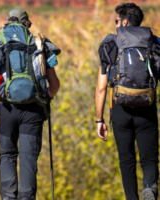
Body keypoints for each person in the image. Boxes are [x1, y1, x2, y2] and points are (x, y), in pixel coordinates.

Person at [0, 8, 60, 200]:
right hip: (33, 110)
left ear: (7, 23)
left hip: (7, 110)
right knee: (28, 157)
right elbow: (54, 86)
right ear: (27, 24)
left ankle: (8, 197)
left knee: (7, 155)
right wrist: (45, 98)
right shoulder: (39, 44)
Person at [96, 3, 159, 200]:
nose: (115, 25)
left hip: (120, 110)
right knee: (149, 158)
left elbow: (101, 87)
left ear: (124, 21)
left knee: (126, 160)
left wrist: (100, 119)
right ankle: (149, 186)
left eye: (116, 21)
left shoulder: (111, 44)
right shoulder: (154, 42)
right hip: (146, 107)